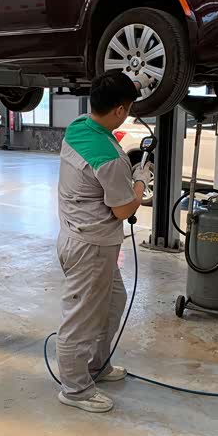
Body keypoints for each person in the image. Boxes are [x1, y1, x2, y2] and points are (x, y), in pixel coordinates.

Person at [55, 70, 151, 413]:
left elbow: (118, 98)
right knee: (81, 320)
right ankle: (75, 389)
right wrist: (140, 180)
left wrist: (138, 82)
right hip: (91, 248)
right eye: (128, 107)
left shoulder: (79, 126)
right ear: (120, 110)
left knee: (113, 303)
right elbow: (124, 209)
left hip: (81, 238)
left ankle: (97, 364)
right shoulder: (110, 159)